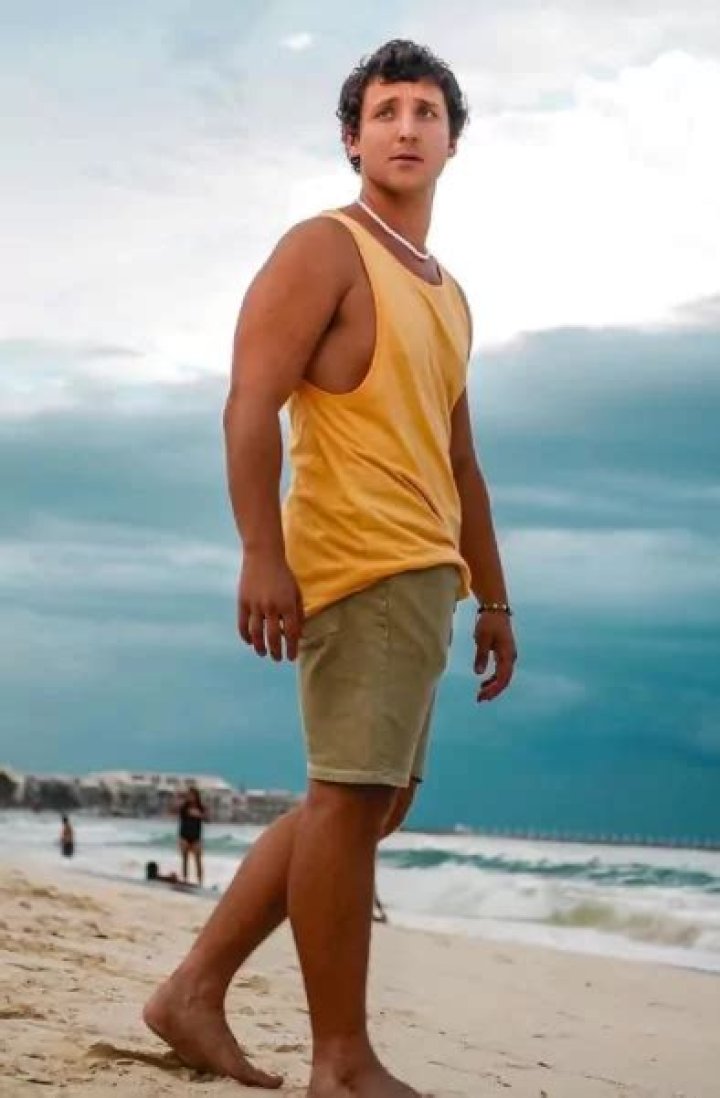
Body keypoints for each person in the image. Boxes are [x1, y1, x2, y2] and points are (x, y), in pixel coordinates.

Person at [144, 39, 517, 1096]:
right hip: (356, 562)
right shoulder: (325, 247)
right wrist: (261, 551)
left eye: (427, 112)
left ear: (452, 141)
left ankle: (193, 991)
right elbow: (248, 402)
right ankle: (341, 1062)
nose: (407, 128)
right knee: (347, 803)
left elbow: (461, 462)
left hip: (425, 576)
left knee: (367, 808)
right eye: (386, 111)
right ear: (353, 140)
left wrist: (493, 596)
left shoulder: (449, 294)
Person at [178, 786, 206, 886]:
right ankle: (185, 879)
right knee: (185, 859)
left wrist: (200, 815)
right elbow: (177, 813)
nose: (190, 797)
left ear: (197, 796)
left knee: (198, 860)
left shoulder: (201, 808)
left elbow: (207, 819)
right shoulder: (184, 807)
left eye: (192, 795)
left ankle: (200, 881)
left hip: (196, 837)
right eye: (189, 795)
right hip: (184, 835)